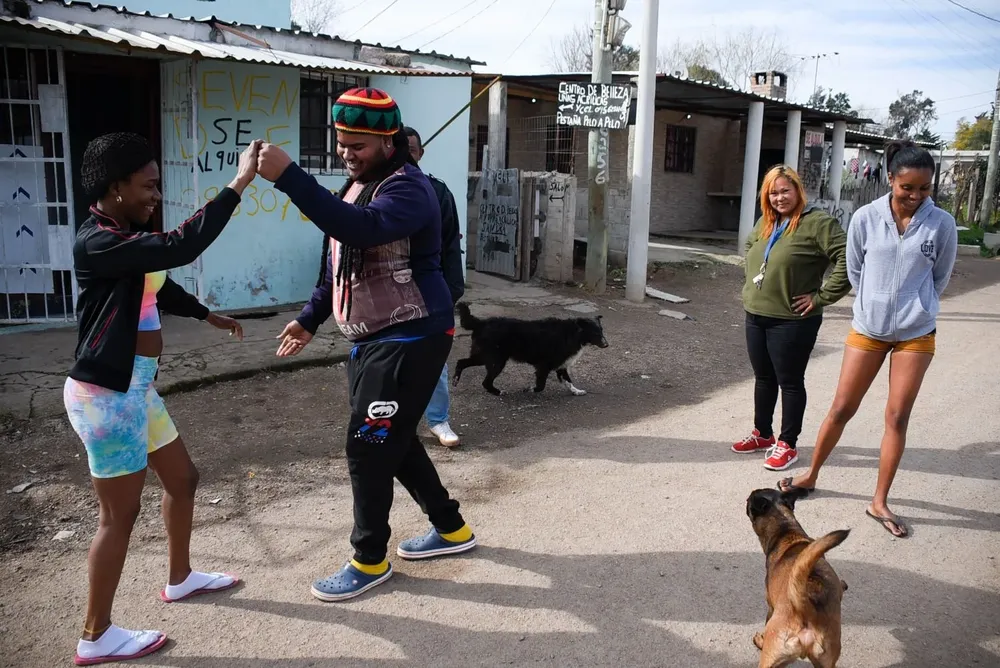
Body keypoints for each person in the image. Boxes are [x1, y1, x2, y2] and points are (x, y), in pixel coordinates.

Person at [259, 87, 475, 602]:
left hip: (412, 334)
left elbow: (360, 230)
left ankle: (369, 558)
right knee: (390, 438)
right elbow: (334, 264)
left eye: (357, 145)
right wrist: (310, 319)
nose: (346, 154)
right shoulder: (356, 185)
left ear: (387, 142)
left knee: (367, 443)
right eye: (341, 144)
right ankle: (451, 528)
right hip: (374, 339)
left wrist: (290, 176)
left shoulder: (410, 189)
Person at [64, 133, 258, 665]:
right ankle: (95, 635)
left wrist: (206, 314)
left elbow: (159, 282)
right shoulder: (97, 242)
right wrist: (239, 181)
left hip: (136, 390)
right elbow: (178, 248)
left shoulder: (125, 236)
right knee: (119, 515)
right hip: (106, 397)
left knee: (182, 479)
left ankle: (180, 577)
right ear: (116, 186)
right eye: (148, 186)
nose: (156, 195)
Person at [778, 141, 958, 539]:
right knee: (842, 407)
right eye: (907, 188)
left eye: (924, 188)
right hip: (868, 330)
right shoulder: (865, 218)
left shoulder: (941, 224)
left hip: (916, 333)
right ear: (891, 179)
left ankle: (879, 501)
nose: (915, 196)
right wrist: (872, 304)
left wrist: (920, 305)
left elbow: (940, 276)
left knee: (897, 416)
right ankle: (810, 475)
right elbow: (855, 270)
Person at [732, 165, 850, 471]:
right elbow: (750, 246)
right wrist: (754, 279)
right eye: (773, 192)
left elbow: (847, 259)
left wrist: (821, 297)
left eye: (785, 190)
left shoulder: (818, 223)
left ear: (798, 190)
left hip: (793, 320)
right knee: (763, 377)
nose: (779, 197)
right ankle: (763, 433)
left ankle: (788, 443)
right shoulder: (767, 221)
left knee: (790, 382)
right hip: (756, 314)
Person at [404, 125, 464, 448]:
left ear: (421, 153)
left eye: (411, 151)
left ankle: (438, 419)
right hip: (389, 295)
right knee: (394, 360)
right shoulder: (378, 191)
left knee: (434, 358)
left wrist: (452, 289)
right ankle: (401, 423)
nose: (405, 157)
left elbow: (451, 245)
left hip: (431, 290)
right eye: (399, 151)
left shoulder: (438, 193)